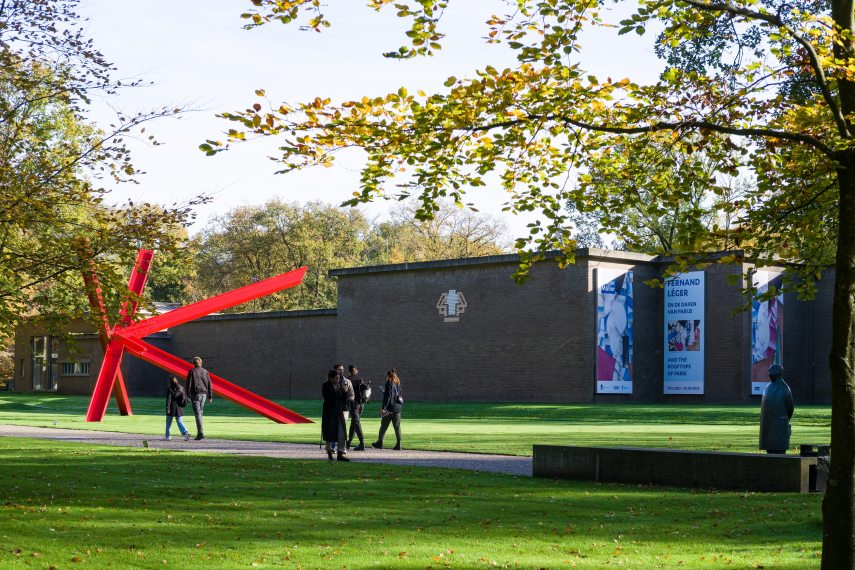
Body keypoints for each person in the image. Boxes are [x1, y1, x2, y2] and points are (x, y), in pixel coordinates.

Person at [759, 364, 794, 454]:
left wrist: (784, 420)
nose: (769, 373)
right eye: (769, 371)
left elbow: (790, 409)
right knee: (769, 450)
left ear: (778, 373)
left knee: (779, 451)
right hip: (768, 426)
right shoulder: (768, 387)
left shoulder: (785, 388)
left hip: (780, 425)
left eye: (771, 371)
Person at [321, 369, 350, 461]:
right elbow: (328, 398)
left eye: (338, 378)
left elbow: (343, 399)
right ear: (331, 378)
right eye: (336, 378)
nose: (338, 380)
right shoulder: (325, 386)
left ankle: (340, 453)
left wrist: (345, 391)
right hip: (329, 412)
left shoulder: (339, 386)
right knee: (329, 433)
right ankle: (329, 451)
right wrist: (338, 391)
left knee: (342, 433)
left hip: (339, 411)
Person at [372, 369, 403, 450]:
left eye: (386, 375)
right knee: (397, 427)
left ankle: (380, 442)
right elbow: (399, 394)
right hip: (398, 408)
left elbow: (387, 397)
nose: (385, 377)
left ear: (388, 376)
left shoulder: (388, 383)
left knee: (383, 427)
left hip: (390, 408)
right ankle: (399, 444)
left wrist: (383, 408)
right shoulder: (398, 383)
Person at [186, 356, 213, 441]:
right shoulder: (205, 371)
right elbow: (209, 384)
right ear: (201, 363)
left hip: (196, 394)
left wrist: (187, 395)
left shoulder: (191, 371)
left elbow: (189, 384)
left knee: (197, 413)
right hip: (204, 395)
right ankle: (200, 433)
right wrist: (210, 396)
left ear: (193, 363)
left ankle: (200, 433)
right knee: (200, 413)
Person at [346, 365, 368, 451]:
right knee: (354, 422)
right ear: (356, 370)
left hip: (353, 404)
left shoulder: (348, 380)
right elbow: (366, 389)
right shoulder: (360, 379)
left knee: (356, 422)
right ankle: (348, 442)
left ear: (349, 371)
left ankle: (362, 443)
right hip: (361, 404)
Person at [164, 376, 191, 441]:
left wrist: (167, 408)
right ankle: (185, 432)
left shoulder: (170, 388)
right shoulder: (181, 388)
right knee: (180, 421)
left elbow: (169, 400)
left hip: (172, 407)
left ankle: (168, 436)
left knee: (168, 422)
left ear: (170, 382)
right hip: (180, 407)